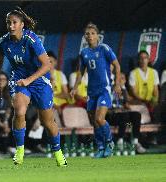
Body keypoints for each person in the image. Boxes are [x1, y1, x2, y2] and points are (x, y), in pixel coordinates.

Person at [0, 7, 67, 166]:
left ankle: (58, 152)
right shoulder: (3, 42)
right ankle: (19, 152)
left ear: (22, 25)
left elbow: (47, 65)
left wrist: (30, 80)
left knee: (47, 122)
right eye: (8, 23)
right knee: (19, 111)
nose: (11, 26)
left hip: (40, 80)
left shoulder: (32, 39)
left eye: (14, 22)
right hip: (19, 80)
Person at [70, 23, 121, 158]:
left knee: (100, 118)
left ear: (97, 35)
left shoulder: (104, 48)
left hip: (104, 89)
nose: (90, 36)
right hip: (91, 92)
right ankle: (100, 147)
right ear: (85, 37)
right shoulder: (84, 53)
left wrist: (117, 84)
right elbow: (81, 72)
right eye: (87, 34)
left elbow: (116, 65)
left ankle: (109, 142)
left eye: (92, 33)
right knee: (94, 121)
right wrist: (75, 88)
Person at [106, 73, 146, 153]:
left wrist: (130, 107)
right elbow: (104, 107)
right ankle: (120, 141)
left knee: (136, 115)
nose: (122, 80)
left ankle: (135, 142)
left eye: (123, 78)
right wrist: (114, 110)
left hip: (125, 121)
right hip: (111, 118)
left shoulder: (123, 91)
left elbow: (126, 105)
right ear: (115, 80)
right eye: (120, 78)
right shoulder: (108, 90)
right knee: (124, 116)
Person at [128, 50, 159, 121]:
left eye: (145, 58)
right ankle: (129, 128)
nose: (143, 60)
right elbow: (134, 93)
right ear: (138, 60)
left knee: (157, 115)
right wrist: (145, 101)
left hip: (151, 103)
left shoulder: (154, 72)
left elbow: (156, 91)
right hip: (138, 103)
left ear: (148, 59)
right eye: (141, 58)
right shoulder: (133, 73)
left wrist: (154, 101)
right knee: (134, 120)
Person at [47, 51, 69, 127]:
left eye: (51, 62)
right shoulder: (40, 75)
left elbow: (66, 94)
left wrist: (54, 96)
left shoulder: (61, 75)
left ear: (55, 62)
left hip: (61, 103)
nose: (49, 64)